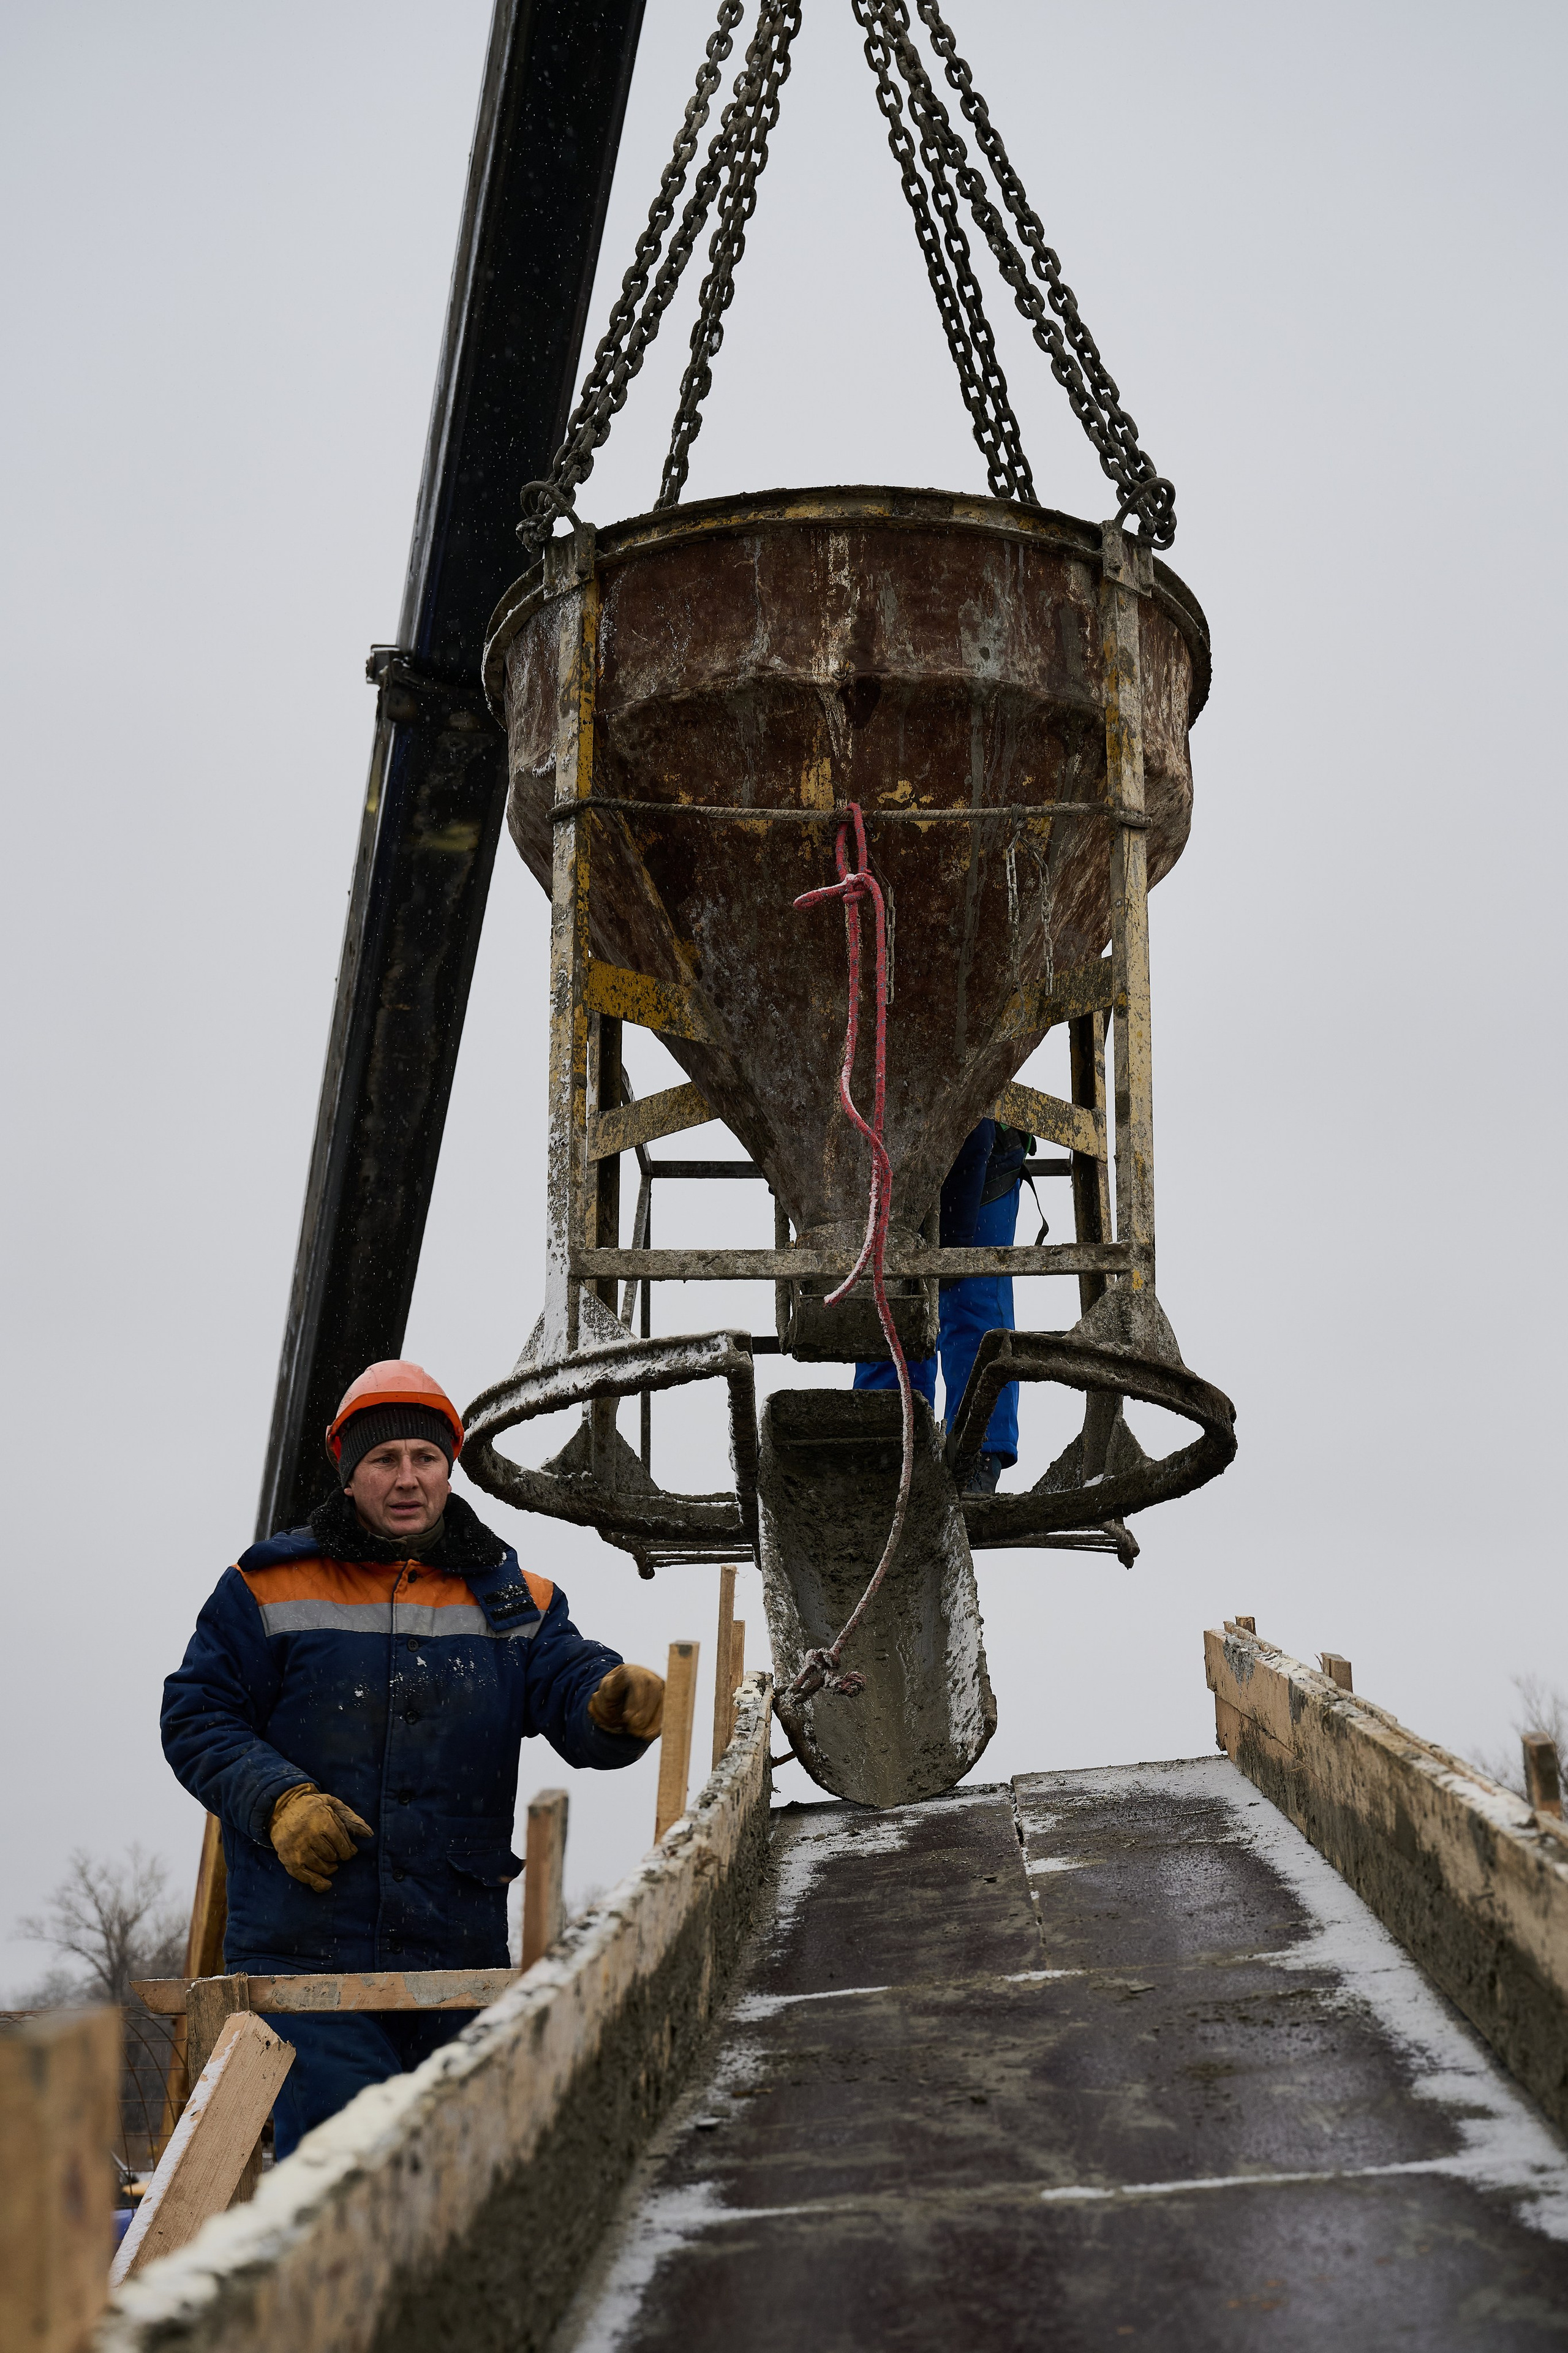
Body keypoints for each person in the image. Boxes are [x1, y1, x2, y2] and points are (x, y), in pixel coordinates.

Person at [162, 1359, 665, 2158]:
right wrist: (280, 1801)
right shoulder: (266, 1587)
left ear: (450, 1466)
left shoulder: (514, 1597)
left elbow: (566, 1681)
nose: (407, 1478)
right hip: (306, 1961)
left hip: (454, 1959)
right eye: (384, 1459)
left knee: (456, 2171)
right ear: (349, 1473)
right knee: (346, 2168)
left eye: (425, 1458)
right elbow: (197, 1717)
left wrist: (610, 1701)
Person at [853, 1120, 1031, 1493]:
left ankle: (978, 1451)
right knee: (892, 1308)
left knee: (972, 1304)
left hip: (987, 1159)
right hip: (882, 1154)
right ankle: (887, 1444)